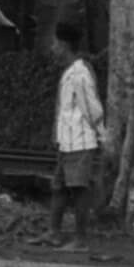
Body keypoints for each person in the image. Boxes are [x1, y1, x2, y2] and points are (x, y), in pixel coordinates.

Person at [46, 22, 106, 250]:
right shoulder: (70, 72)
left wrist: (102, 136)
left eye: (55, 43)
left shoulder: (80, 74)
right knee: (59, 187)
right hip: (67, 142)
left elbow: (92, 109)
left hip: (80, 141)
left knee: (79, 188)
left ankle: (81, 239)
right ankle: (53, 233)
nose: (53, 47)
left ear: (63, 45)